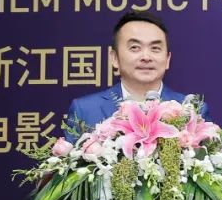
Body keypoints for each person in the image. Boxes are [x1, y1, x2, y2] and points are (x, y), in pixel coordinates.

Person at [64, 11, 207, 134]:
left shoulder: (193, 111)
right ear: (114, 58)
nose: (146, 57)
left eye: (155, 48)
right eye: (135, 47)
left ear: (167, 59)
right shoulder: (85, 110)